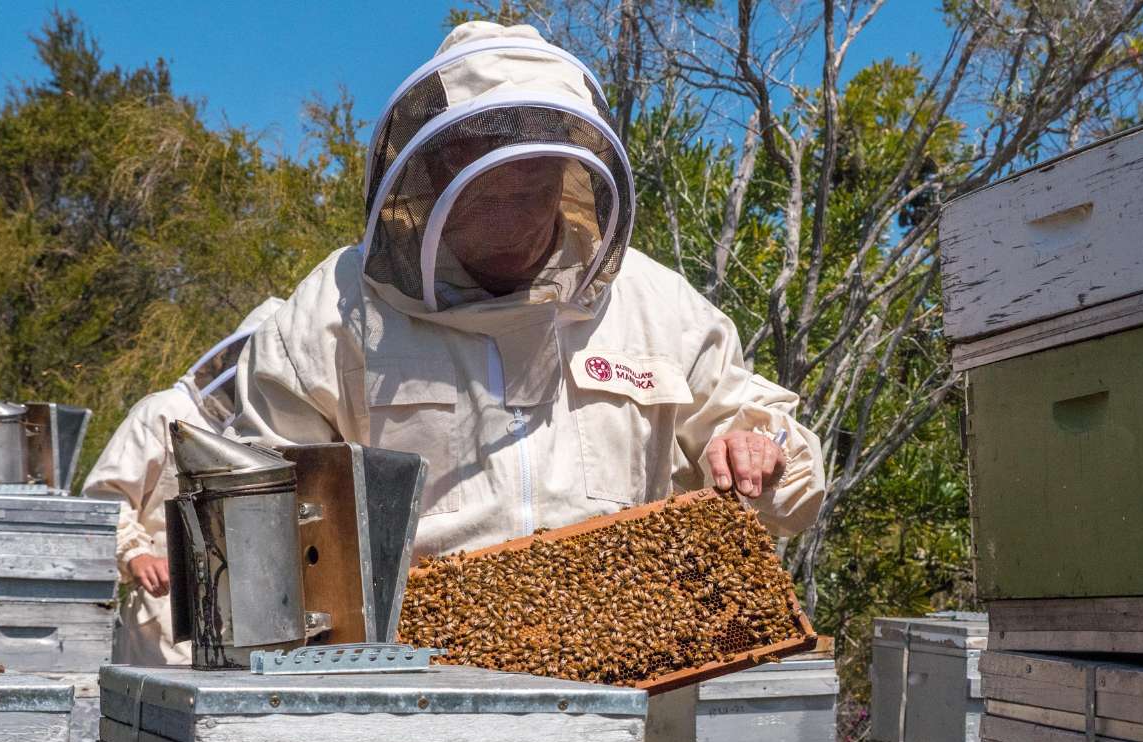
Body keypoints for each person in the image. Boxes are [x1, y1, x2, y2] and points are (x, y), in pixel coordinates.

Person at [233, 21, 824, 560]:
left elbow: (784, 477)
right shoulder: (333, 313)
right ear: (434, 168)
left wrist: (758, 447)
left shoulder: (659, 307)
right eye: (484, 185)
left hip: (627, 666)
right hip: (415, 671)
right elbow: (256, 510)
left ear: (567, 169)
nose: (510, 211)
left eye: (528, 186)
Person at [82, 298, 284, 664]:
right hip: (161, 620)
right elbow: (102, 497)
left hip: (243, 622)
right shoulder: (163, 412)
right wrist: (136, 554)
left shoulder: (267, 433)